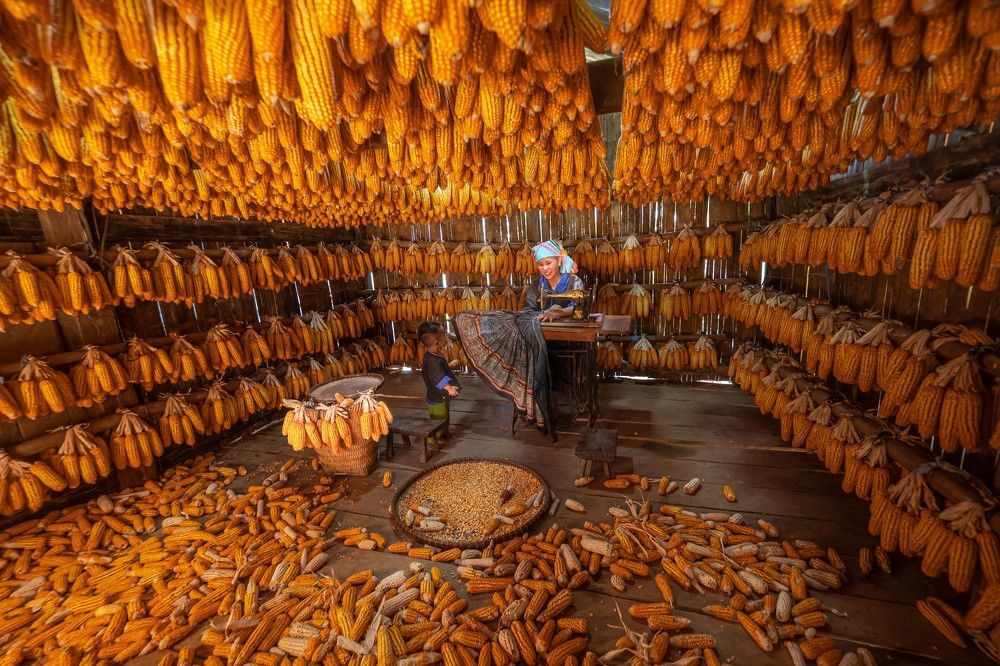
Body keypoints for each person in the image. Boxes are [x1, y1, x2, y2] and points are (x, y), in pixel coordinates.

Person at [418, 321, 460, 444]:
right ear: (437, 342)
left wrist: (450, 385)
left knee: (444, 415)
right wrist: (449, 388)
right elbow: (438, 379)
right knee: (438, 418)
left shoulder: (434, 355)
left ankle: (443, 433)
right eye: (443, 335)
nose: (446, 336)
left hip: (441, 394)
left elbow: (441, 374)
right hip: (436, 396)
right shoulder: (432, 361)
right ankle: (433, 439)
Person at [524, 240, 585, 321]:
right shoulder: (536, 285)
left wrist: (561, 311)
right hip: (542, 330)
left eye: (548, 263)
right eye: (540, 265)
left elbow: (580, 307)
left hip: (570, 329)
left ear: (559, 260)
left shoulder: (574, 281)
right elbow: (527, 311)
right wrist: (545, 313)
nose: (545, 268)